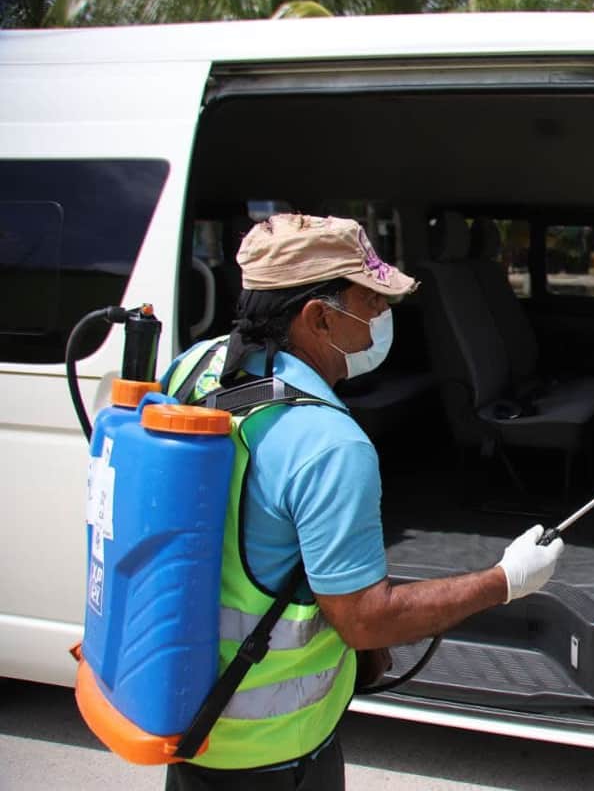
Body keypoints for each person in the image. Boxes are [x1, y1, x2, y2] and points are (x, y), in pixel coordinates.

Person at [160, 213, 563, 790]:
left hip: (185, 716)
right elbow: (366, 620)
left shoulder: (191, 368)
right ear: (317, 317)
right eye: (369, 301)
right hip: (272, 752)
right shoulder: (329, 444)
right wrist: (506, 580)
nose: (380, 317)